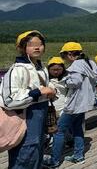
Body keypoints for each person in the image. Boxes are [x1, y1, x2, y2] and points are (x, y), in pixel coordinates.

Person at [2, 30, 56, 169]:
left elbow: (43, 86)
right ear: (22, 48)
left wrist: (49, 90)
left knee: (37, 149)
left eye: (40, 44)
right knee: (24, 154)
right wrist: (38, 92)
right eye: (31, 44)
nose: (37, 47)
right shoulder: (17, 69)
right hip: (25, 117)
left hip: (40, 114)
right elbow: (9, 100)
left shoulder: (41, 67)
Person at [44, 42, 97, 167]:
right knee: (78, 129)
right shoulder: (90, 63)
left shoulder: (76, 65)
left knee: (59, 132)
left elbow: (75, 82)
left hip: (74, 104)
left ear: (69, 54)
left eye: (64, 56)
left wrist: (66, 80)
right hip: (85, 103)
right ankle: (79, 156)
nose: (64, 59)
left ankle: (54, 161)